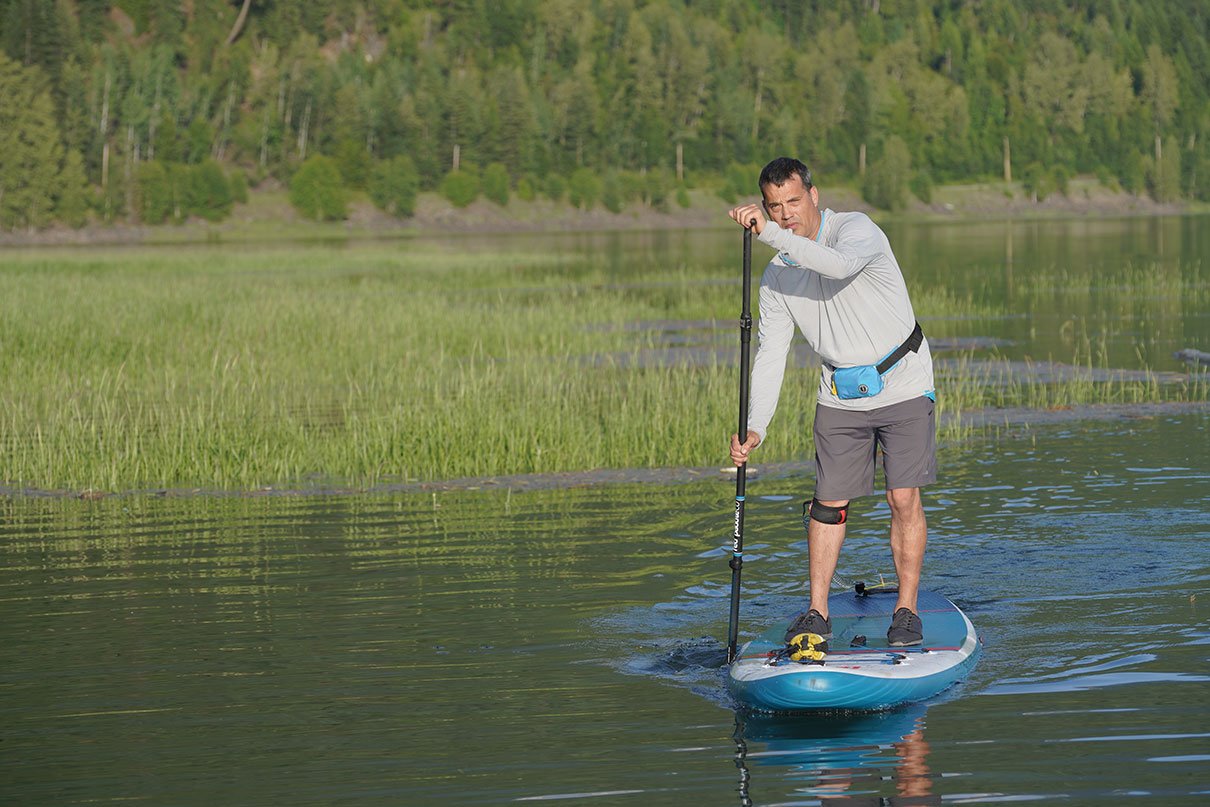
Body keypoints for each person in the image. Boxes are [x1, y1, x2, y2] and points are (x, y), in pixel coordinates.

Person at [727, 157, 936, 647]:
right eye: (774, 207)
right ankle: (816, 613)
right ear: (765, 207)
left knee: (901, 496)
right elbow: (772, 353)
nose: (786, 215)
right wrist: (757, 425)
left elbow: (838, 266)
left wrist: (771, 237)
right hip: (839, 393)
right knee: (827, 504)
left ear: (814, 195)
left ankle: (906, 610)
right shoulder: (777, 278)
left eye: (794, 201)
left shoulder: (856, 231)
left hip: (902, 379)